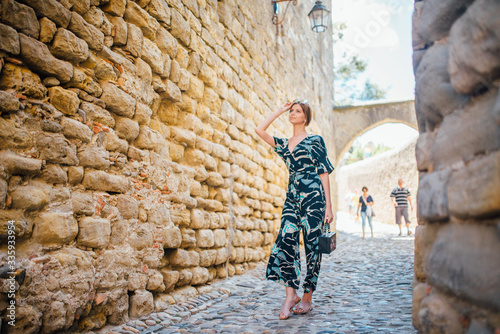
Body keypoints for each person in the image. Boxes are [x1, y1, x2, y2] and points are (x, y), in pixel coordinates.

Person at [255, 99, 334, 320]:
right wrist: (279, 110)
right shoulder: (284, 143)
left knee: (312, 247)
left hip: (314, 199)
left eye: (297, 111)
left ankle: (307, 297)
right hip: (292, 199)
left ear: (305, 117)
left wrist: (329, 205)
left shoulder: (315, 140)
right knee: (286, 241)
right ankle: (291, 295)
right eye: (291, 111)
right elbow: (259, 130)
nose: (292, 113)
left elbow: (324, 172)